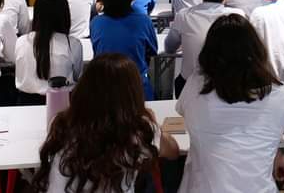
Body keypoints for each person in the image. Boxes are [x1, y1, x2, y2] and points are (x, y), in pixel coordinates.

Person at [176, 14, 284, 193]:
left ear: (209, 53)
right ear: (257, 50)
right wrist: (276, 154)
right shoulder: (280, 94)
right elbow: (266, 135)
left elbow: (185, 114)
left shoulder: (195, 86)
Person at [30, 53, 179, 193]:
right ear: (133, 95)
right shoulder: (138, 130)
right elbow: (173, 151)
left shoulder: (62, 123)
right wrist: (152, 123)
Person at [165, 0, 246, 97]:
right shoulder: (238, 16)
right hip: (227, 86)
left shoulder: (183, 15)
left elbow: (169, 47)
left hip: (190, 85)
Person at [91, 0, 158, 100]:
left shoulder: (96, 22)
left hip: (103, 90)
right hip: (137, 88)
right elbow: (152, 51)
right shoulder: (144, 21)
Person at [15, 0, 83, 105]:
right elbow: (77, 76)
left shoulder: (21, 41)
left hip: (25, 101)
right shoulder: (73, 44)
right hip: (62, 102)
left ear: (37, 14)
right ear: (65, 15)